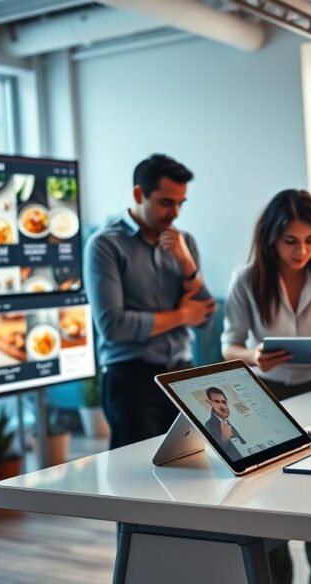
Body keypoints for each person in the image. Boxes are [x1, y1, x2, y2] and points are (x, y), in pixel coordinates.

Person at [222, 189, 311, 584]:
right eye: (291, 241)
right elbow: (228, 345)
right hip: (264, 398)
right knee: (269, 500)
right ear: (271, 238)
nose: (302, 251)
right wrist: (253, 356)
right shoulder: (247, 278)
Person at [84, 154, 216, 449]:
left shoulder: (185, 243)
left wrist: (186, 265)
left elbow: (205, 317)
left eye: (181, 203)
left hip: (184, 376)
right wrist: (182, 315)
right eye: (166, 202)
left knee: (193, 472)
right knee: (137, 482)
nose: (175, 213)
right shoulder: (105, 245)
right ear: (138, 194)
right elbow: (113, 326)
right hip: (132, 381)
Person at [202, 387, 243, 460]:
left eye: (224, 402)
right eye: (217, 401)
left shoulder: (227, 420)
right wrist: (224, 437)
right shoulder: (209, 424)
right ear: (209, 402)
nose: (222, 405)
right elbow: (220, 451)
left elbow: (241, 443)